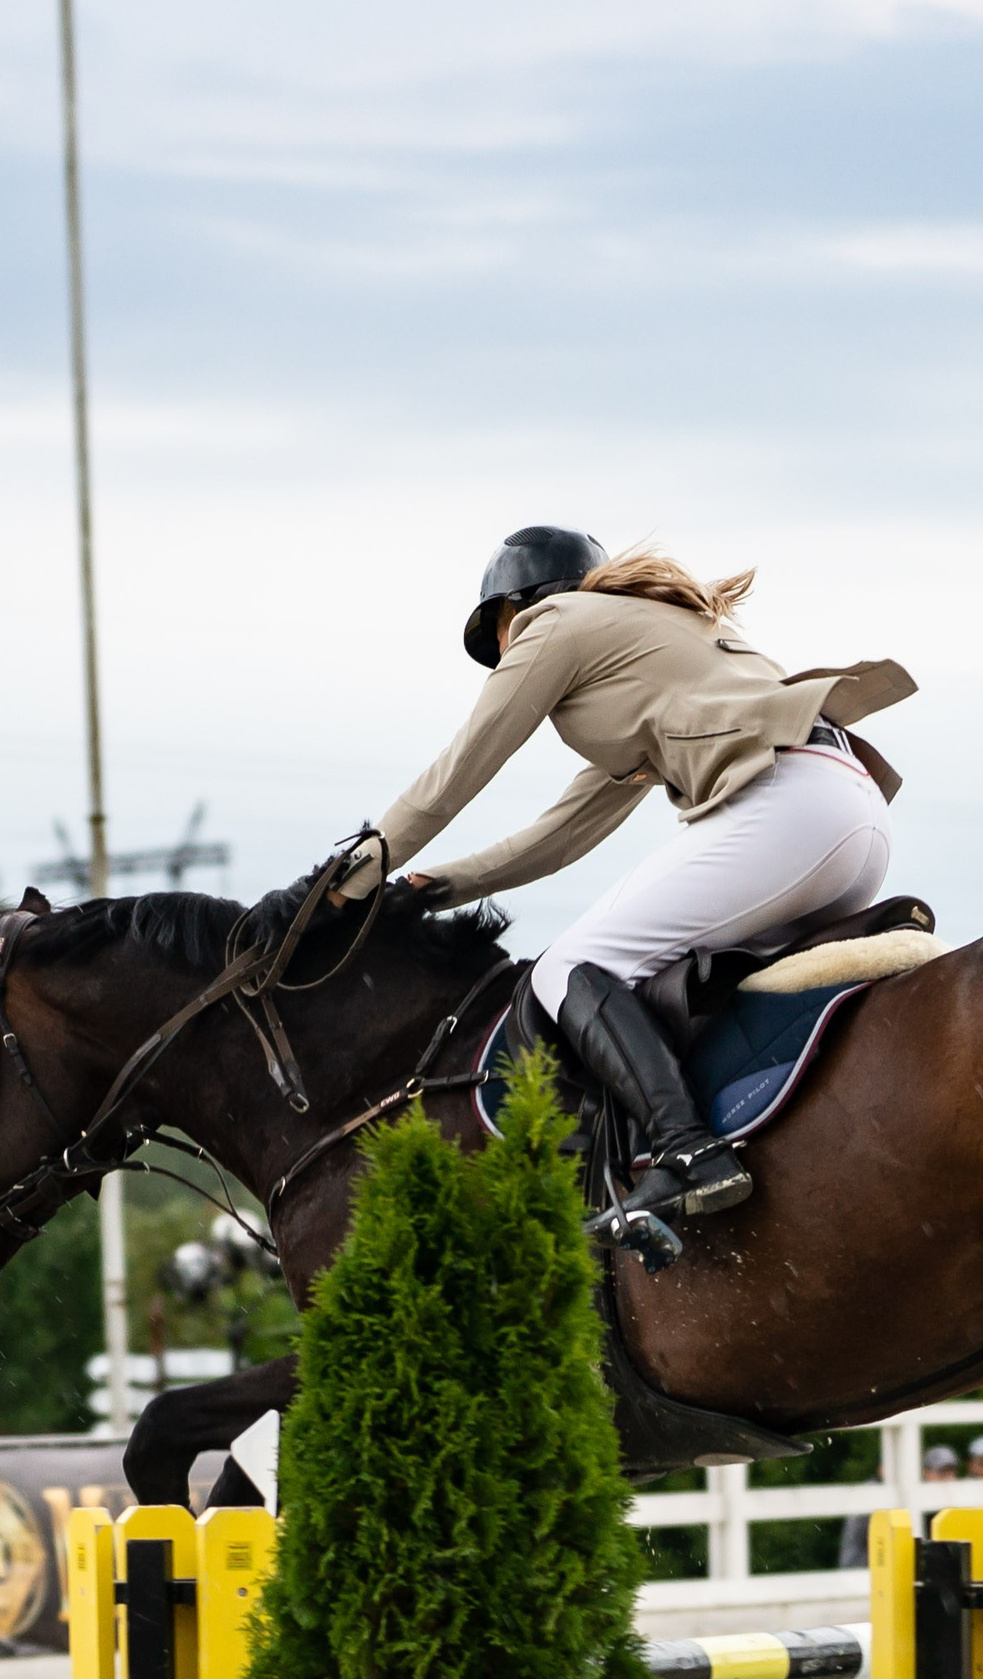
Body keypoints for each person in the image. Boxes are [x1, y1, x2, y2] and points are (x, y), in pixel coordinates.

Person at [341, 526, 914, 1231]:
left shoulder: (556, 622)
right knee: (679, 979)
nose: (504, 654)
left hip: (788, 811)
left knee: (570, 966)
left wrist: (358, 875)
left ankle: (688, 1152)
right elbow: (562, 835)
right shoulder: (648, 649)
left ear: (519, 606)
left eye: (499, 632)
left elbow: (452, 779)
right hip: (851, 814)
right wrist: (436, 885)